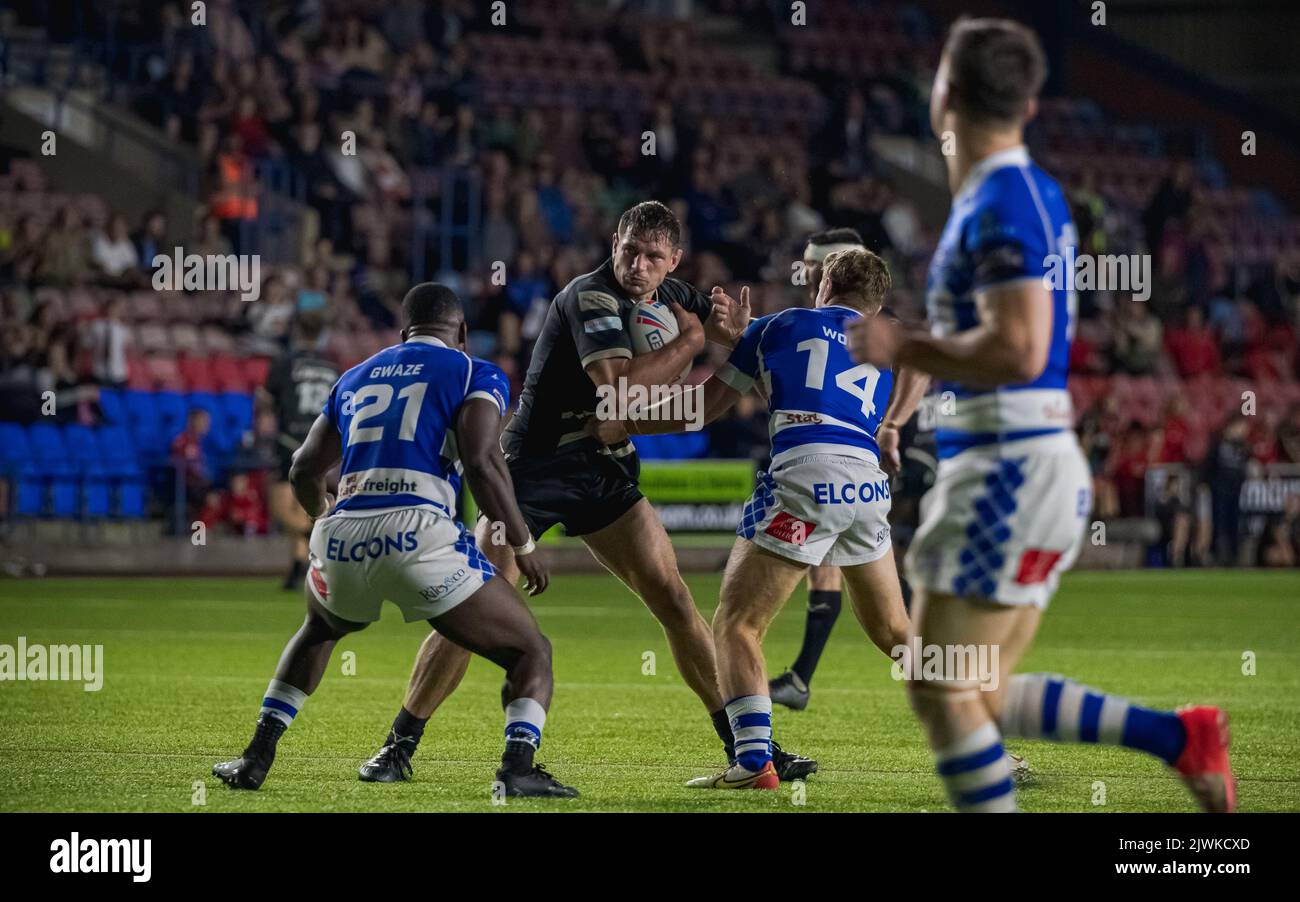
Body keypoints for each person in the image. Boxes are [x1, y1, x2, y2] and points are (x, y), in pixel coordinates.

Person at [847, 17, 1233, 812]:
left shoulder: (1000, 200)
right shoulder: (1026, 193)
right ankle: (1179, 738)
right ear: (1028, 106)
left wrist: (904, 342)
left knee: (943, 689)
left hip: (1006, 467)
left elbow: (1018, 348)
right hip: (1026, 462)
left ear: (943, 94)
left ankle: (1179, 739)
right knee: (968, 689)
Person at [356, 201, 818, 785]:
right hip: (531, 467)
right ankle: (397, 748)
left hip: (601, 466)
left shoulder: (672, 292)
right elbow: (620, 388)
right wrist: (696, 342)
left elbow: (729, 328)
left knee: (674, 601)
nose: (639, 266)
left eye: (654, 257)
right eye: (630, 251)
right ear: (614, 241)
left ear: (673, 260)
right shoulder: (591, 296)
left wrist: (732, 329)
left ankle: (750, 748)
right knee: (474, 601)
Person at [213, 283, 578, 798]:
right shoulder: (475, 371)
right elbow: (482, 461)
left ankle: (255, 759)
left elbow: (302, 468)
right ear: (463, 334)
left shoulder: (355, 376)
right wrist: (522, 543)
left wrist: (325, 514)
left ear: (403, 332)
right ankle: (517, 768)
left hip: (343, 535)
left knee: (318, 631)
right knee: (530, 650)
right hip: (419, 532)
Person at [591, 247, 921, 789]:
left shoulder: (780, 324)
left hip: (805, 476)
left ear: (826, 282)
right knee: (896, 632)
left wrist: (626, 423)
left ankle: (751, 762)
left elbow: (706, 407)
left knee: (737, 623)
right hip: (866, 484)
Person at [261, 312, 341, 589]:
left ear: (296, 330)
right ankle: (299, 567)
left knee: (281, 507)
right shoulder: (332, 366)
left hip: (289, 440)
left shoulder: (284, 362)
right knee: (307, 505)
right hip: (322, 442)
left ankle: (321, 537)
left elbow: (265, 401)